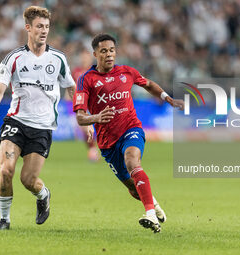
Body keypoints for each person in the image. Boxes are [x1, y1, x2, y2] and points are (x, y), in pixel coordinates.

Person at [0, 6, 93, 231]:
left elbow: (72, 89)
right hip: (16, 122)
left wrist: (84, 115)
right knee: (6, 171)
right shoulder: (14, 58)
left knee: (28, 180)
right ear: (28, 28)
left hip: (42, 128)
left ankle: (43, 194)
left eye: (47, 27)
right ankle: (4, 220)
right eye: (39, 26)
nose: (44, 31)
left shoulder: (59, 59)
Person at [73, 33, 183, 233]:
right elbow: (80, 117)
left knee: (132, 160)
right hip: (107, 142)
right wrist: (96, 118)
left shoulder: (127, 72)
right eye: (104, 51)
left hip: (131, 129)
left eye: (112, 50)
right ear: (95, 54)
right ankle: (154, 205)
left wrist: (167, 98)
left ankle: (150, 214)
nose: (109, 54)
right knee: (132, 187)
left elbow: (148, 84)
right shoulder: (86, 80)